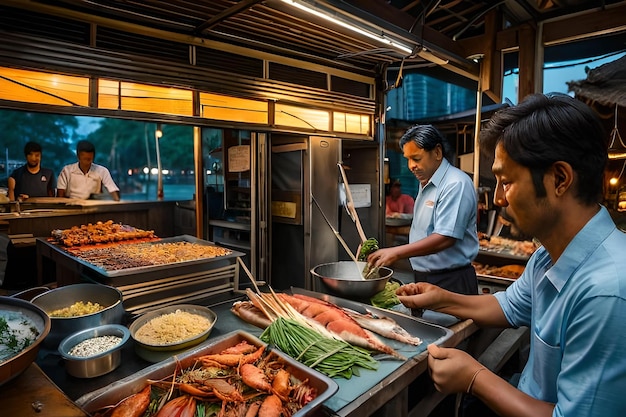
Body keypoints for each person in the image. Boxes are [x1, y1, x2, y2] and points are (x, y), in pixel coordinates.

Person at [396, 93, 626, 416]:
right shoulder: (546, 258)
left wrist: (474, 377)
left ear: (559, 179)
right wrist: (439, 298)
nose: (500, 200)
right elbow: (506, 306)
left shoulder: (606, 293)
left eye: (507, 182)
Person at [368, 124, 478, 295]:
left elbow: (445, 238)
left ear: (437, 152)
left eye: (416, 158)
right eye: (408, 159)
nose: (411, 165)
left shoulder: (455, 183)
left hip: (450, 281)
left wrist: (396, 252)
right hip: (425, 276)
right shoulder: (426, 183)